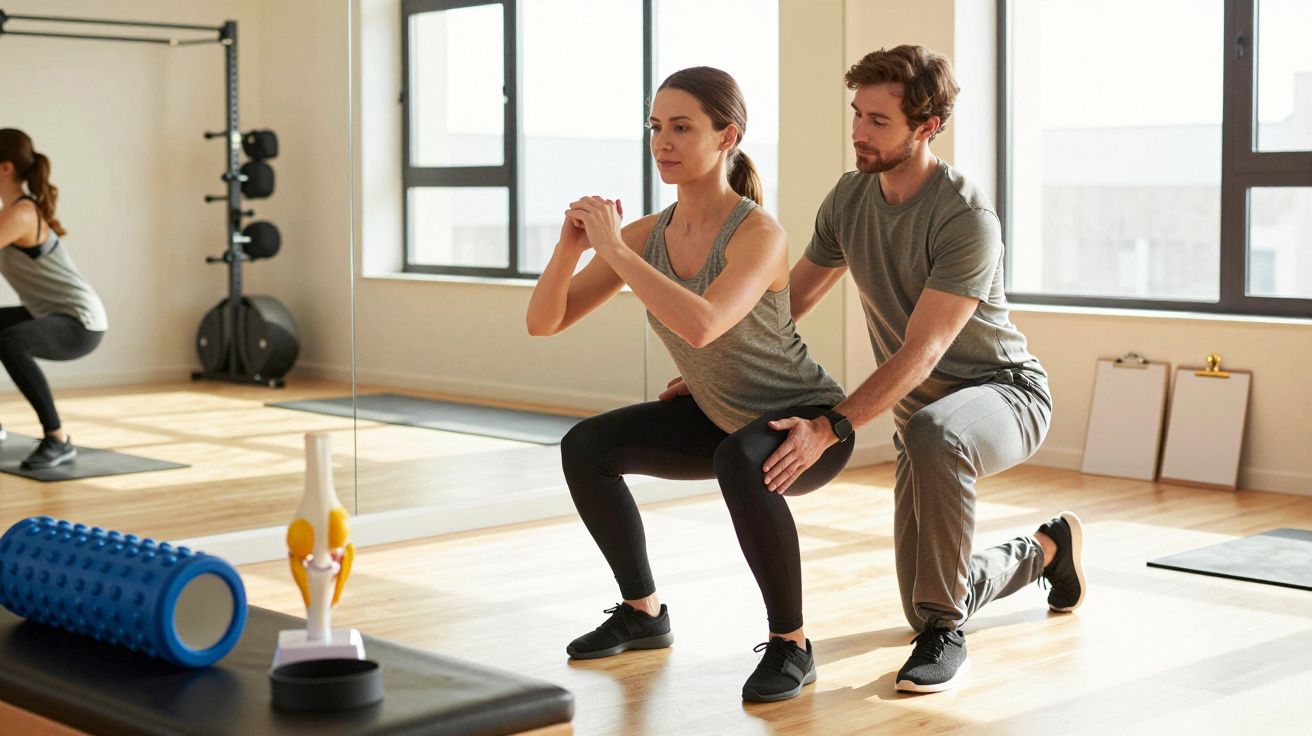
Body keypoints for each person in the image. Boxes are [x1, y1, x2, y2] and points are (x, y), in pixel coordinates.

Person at [747, 45, 1086, 693]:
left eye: (879, 120)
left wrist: (830, 427)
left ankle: (946, 634)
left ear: (927, 126)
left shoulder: (964, 218)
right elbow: (788, 303)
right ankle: (1047, 551)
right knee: (927, 600)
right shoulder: (849, 199)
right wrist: (716, 364)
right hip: (922, 420)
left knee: (935, 455)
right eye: (857, 114)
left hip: (1005, 396)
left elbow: (923, 351)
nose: (859, 132)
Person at [526, 67, 853, 702]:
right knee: (585, 446)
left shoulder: (758, 233)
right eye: (655, 127)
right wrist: (572, 248)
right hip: (717, 414)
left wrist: (614, 250)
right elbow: (545, 322)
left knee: (740, 457)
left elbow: (702, 326)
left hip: (803, 423)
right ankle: (643, 613)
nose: (662, 142)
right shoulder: (649, 233)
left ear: (727, 135)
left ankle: (793, 645)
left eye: (681, 128)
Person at [0, 129, 108, 469]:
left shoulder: (21, 213)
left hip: (80, 322)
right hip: (48, 313)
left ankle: (57, 439)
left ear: (5, 168)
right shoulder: (12, 211)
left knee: (10, 341)